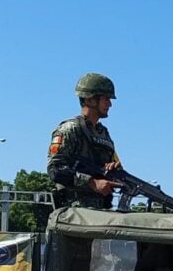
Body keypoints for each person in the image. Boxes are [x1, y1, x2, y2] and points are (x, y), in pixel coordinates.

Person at [47, 73, 122, 209]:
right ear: (90, 100)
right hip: (76, 212)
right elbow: (56, 170)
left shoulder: (104, 134)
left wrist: (112, 171)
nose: (110, 104)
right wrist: (92, 183)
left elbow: (112, 167)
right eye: (106, 99)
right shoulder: (70, 129)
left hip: (102, 212)